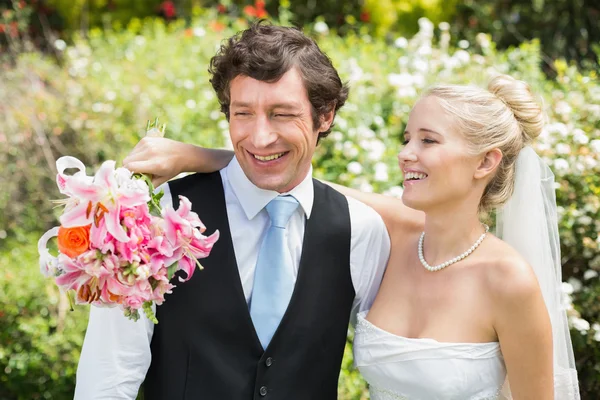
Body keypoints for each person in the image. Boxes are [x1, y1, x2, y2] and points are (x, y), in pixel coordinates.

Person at [126, 74, 581, 399]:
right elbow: (294, 182)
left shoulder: (508, 280)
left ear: (485, 163)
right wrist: (192, 155)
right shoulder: (395, 236)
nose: (406, 154)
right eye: (407, 138)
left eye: (428, 141)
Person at [74, 21, 396, 400]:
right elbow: (109, 376)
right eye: (243, 113)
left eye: (282, 114)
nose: (260, 138)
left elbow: (387, 369)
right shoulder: (156, 216)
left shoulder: (361, 230)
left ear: (324, 116)